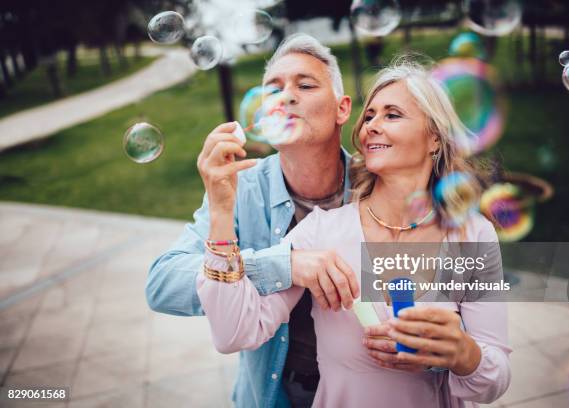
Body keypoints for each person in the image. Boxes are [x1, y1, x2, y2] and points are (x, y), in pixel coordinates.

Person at [198, 57, 512, 407]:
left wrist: (463, 353)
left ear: (434, 138)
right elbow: (233, 332)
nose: (372, 126)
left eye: (392, 115)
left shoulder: (473, 236)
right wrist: (221, 211)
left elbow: (494, 379)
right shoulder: (321, 231)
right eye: (370, 116)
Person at [146, 33, 360, 407]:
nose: (286, 96)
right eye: (273, 89)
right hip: (274, 395)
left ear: (342, 108)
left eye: (305, 85)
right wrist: (283, 266)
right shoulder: (241, 187)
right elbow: (162, 283)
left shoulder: (376, 185)